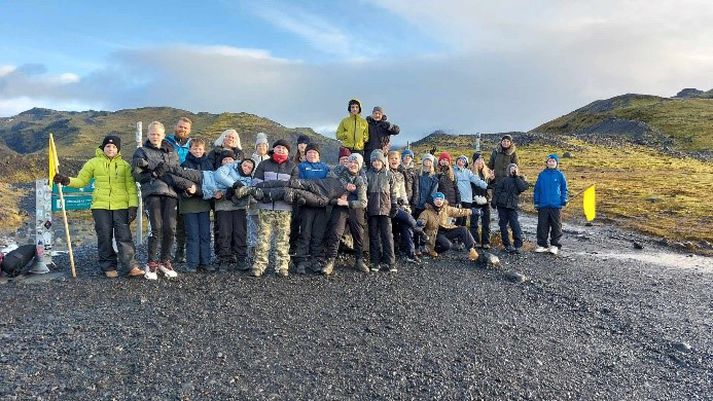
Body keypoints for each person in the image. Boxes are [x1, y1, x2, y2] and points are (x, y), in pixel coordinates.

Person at [53, 135, 143, 278]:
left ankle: (131, 266)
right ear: (103, 147)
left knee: (124, 236)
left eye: (114, 147)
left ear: (118, 149)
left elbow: (131, 188)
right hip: (100, 206)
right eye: (108, 146)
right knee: (104, 236)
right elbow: (82, 181)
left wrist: (133, 206)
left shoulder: (125, 166)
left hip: (121, 206)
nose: (111, 149)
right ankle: (108, 266)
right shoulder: (93, 163)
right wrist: (66, 180)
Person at [132, 121, 192, 280]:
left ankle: (165, 261)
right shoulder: (141, 151)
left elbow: (176, 170)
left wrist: (188, 184)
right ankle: (151, 262)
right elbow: (137, 175)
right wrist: (154, 173)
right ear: (148, 135)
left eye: (158, 134)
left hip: (171, 193)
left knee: (170, 228)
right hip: (152, 193)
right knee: (156, 228)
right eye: (152, 134)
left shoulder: (171, 151)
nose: (155, 137)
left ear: (164, 135)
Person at [250, 139, 299, 277]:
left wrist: (271, 187)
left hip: (284, 208)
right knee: (263, 237)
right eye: (278, 148)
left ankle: (282, 265)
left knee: (283, 238)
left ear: (288, 152)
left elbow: (293, 187)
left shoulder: (293, 167)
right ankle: (259, 265)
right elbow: (256, 184)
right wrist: (278, 189)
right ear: (273, 149)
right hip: (265, 206)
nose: (281, 150)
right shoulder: (264, 164)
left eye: (284, 148)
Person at [320, 153, 368, 275]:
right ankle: (330, 261)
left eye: (356, 163)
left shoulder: (360, 180)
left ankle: (359, 260)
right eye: (351, 162)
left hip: (353, 208)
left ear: (359, 166)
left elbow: (363, 202)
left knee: (358, 233)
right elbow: (329, 194)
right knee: (335, 232)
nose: (353, 165)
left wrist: (346, 202)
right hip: (339, 207)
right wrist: (338, 200)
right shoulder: (338, 176)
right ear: (347, 163)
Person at [178, 137, 214, 273]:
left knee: (205, 234)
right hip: (189, 205)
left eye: (200, 148)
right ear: (190, 149)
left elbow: (212, 182)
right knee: (192, 234)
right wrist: (188, 191)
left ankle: (205, 262)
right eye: (195, 148)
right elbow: (180, 184)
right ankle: (192, 263)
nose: (197, 151)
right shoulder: (184, 165)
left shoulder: (209, 164)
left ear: (204, 149)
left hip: (204, 204)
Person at [294, 142, 330, 274]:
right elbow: (299, 183)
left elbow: (329, 184)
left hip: (321, 206)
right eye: (309, 152)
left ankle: (316, 260)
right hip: (306, 206)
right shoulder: (301, 167)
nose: (312, 154)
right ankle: (301, 261)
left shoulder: (325, 168)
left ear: (319, 155)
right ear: (305, 154)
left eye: (314, 152)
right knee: (305, 233)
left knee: (318, 234)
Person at [417, 192, 480, 261]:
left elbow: (459, 211)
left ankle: (472, 251)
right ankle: (431, 250)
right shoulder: (426, 212)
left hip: (446, 231)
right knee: (448, 245)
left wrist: (471, 211)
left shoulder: (446, 209)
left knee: (463, 229)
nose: (439, 201)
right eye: (437, 199)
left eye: (441, 199)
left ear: (443, 201)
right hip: (434, 235)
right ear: (433, 200)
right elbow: (421, 220)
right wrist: (421, 223)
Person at [165, 117, 193, 263]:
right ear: (176, 126)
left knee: (183, 221)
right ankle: (165, 253)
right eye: (180, 127)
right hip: (169, 185)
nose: (182, 129)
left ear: (189, 130)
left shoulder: (192, 145)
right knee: (168, 222)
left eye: (185, 128)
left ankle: (180, 251)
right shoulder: (166, 142)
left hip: (185, 186)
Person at [366, 150, 398, 273]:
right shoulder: (367, 175)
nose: (376, 162)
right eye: (374, 160)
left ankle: (390, 262)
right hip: (372, 209)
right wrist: (365, 208)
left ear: (383, 162)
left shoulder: (389, 175)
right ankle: (375, 261)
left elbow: (394, 192)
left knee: (387, 236)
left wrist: (394, 205)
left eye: (378, 160)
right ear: (371, 162)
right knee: (373, 236)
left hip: (386, 210)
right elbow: (364, 192)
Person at [388, 150, 421, 264]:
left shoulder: (400, 175)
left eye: (396, 158)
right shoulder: (386, 173)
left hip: (400, 204)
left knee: (406, 225)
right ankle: (419, 230)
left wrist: (407, 205)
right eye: (391, 158)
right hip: (388, 205)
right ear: (388, 160)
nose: (394, 160)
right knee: (407, 219)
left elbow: (403, 193)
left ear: (399, 160)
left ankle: (410, 254)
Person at [533, 154, 569, 255]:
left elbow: (564, 189)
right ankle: (542, 245)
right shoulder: (542, 175)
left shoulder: (560, 175)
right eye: (549, 161)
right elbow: (537, 189)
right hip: (543, 205)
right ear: (546, 163)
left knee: (556, 225)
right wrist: (536, 202)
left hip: (556, 205)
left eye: (553, 161)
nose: (551, 163)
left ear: (556, 163)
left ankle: (555, 245)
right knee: (542, 225)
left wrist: (564, 199)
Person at [492, 163, 529, 253]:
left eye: (514, 168)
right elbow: (497, 190)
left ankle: (518, 245)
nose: (513, 170)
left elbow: (522, 188)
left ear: (517, 170)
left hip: (512, 206)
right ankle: (507, 245)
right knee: (503, 225)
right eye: (511, 168)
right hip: (502, 205)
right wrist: (494, 201)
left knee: (514, 224)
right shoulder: (504, 180)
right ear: (508, 170)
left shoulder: (520, 180)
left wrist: (516, 177)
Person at [249, 132, 270, 262]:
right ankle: (253, 248)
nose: (261, 147)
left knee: (265, 225)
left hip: (266, 198)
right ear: (255, 146)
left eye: (264, 145)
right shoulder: (250, 160)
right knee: (253, 223)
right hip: (253, 197)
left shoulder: (270, 160)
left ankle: (264, 251)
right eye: (259, 145)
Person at [454, 155, 488, 227]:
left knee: (464, 220)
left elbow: (476, 180)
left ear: (465, 164)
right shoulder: (453, 171)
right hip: (458, 199)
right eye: (459, 160)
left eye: (463, 161)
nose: (461, 162)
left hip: (467, 199)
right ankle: (454, 236)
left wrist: (486, 186)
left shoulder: (468, 172)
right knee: (458, 219)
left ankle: (462, 237)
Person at [470, 153, 495, 248]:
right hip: (474, 200)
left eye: (481, 159)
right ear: (474, 161)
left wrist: (492, 179)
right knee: (474, 223)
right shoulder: (471, 172)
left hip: (485, 200)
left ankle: (486, 242)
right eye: (477, 160)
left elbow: (491, 186)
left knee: (486, 222)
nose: (480, 161)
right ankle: (475, 241)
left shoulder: (487, 172)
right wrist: (474, 196)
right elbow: (470, 187)